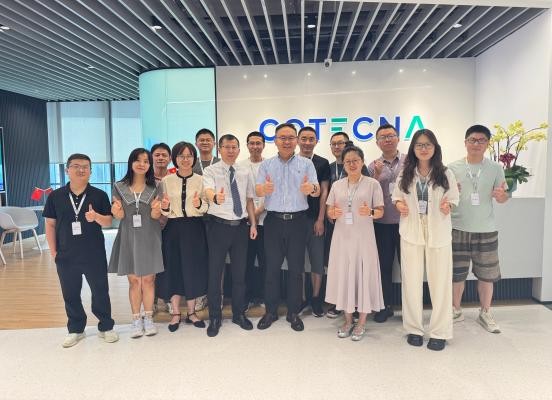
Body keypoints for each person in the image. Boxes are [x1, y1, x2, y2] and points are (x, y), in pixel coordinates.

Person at [392, 129, 459, 351]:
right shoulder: (405, 173)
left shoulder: (445, 173)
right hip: (411, 231)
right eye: (419, 145)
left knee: (440, 284)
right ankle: (414, 329)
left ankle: (440, 332)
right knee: (410, 282)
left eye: (428, 144)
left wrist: (448, 205)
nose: (423, 148)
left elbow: (454, 198)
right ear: (413, 148)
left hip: (437, 231)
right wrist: (399, 205)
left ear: (435, 148)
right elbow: (397, 197)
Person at [44, 153, 118, 348]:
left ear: (91, 171)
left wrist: (96, 217)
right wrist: (53, 252)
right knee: (70, 293)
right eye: (76, 166)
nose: (81, 170)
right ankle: (76, 329)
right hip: (66, 254)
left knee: (100, 291)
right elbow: (50, 225)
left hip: (94, 253)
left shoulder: (99, 195)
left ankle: (106, 326)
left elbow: (109, 222)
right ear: (67, 170)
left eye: (85, 166)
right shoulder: (56, 196)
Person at [256, 123, 320, 332]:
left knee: (296, 270)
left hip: (298, 222)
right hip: (273, 221)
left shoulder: (306, 164)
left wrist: (310, 188)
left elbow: (317, 190)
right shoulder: (266, 165)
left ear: (296, 141)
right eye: (282, 138)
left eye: (291, 137)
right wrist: (263, 189)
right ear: (275, 141)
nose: (287, 141)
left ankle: (293, 312)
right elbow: (257, 189)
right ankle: (271, 312)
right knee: (271, 269)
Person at [448, 124, 509, 333]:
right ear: (465, 142)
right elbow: (444, 199)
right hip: (457, 228)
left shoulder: (495, 168)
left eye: (481, 140)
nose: (476, 144)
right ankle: (455, 310)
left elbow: (503, 197)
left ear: (487, 144)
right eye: (472, 140)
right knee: (456, 274)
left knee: (487, 275)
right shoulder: (451, 168)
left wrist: (502, 196)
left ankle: (485, 312)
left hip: (486, 229)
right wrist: (450, 193)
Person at [326, 145, 385, 341]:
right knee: (345, 275)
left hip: (364, 238)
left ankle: (361, 322)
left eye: (355, 161)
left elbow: (380, 211)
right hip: (342, 237)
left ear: (362, 162)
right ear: (343, 164)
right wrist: (332, 213)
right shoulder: (337, 185)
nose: (351, 164)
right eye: (348, 161)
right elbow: (329, 210)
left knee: (364, 275)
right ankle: (348, 320)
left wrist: (370, 212)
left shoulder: (372, 184)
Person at [203, 134, 257, 337]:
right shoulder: (210, 170)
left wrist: (253, 224)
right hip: (218, 227)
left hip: (241, 228)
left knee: (239, 274)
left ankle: (238, 314)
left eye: (234, 147)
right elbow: (208, 191)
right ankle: (215, 317)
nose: (231, 150)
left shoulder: (245, 171)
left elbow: (249, 199)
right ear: (220, 149)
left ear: (239, 150)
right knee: (215, 274)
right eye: (227, 147)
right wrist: (216, 197)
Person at [109, 148, 164, 338]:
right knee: (133, 281)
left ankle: (148, 318)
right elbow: (119, 216)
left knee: (148, 280)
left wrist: (157, 209)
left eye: (146, 161)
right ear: (131, 162)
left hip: (150, 236)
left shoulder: (157, 186)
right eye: (138, 160)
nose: (142, 164)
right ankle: (135, 319)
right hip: (128, 236)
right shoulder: (119, 186)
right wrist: (116, 212)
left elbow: (156, 216)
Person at [160, 142, 208, 332]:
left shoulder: (201, 180)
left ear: (194, 158)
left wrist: (198, 204)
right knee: (173, 269)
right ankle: (175, 314)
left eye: (189, 156)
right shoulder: (166, 181)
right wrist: (164, 207)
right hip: (173, 228)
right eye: (181, 156)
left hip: (194, 228)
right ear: (175, 159)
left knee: (192, 269)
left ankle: (192, 312)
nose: (185, 159)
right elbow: (164, 209)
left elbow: (206, 206)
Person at [325, 132, 369, 319]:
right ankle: (342, 305)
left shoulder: (367, 177)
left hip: (361, 229)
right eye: (334, 143)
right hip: (340, 227)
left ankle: (359, 306)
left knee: (359, 268)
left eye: (341, 143)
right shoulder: (330, 170)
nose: (337, 146)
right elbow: (328, 201)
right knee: (341, 266)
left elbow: (372, 204)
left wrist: (370, 212)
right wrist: (330, 213)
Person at [367, 124, 406, 322]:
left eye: (391, 136)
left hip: (406, 222)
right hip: (381, 224)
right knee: (384, 266)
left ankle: (411, 309)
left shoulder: (410, 161)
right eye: (383, 137)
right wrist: (375, 175)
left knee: (409, 267)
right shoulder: (372, 166)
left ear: (398, 138)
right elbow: (367, 193)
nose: (388, 140)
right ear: (377, 143)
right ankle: (385, 306)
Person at [297, 126, 330, 317]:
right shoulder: (290, 162)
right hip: (295, 220)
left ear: (316, 141)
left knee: (317, 261)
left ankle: (316, 298)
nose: (307, 142)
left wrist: (320, 219)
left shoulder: (322, 163)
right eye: (304, 139)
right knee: (297, 262)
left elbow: (324, 192)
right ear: (298, 140)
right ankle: (301, 299)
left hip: (315, 219)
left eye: (311, 139)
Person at [239, 131, 267, 308]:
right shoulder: (240, 166)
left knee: (266, 262)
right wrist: (250, 215)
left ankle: (264, 297)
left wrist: (257, 212)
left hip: (265, 221)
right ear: (247, 145)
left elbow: (272, 193)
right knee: (246, 262)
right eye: (252, 143)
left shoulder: (270, 165)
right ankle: (247, 297)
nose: (255, 146)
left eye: (258, 143)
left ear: (263, 145)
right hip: (246, 222)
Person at [151, 142, 172, 315]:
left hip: (171, 225)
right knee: (151, 264)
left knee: (168, 263)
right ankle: (151, 300)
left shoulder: (174, 178)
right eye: (157, 155)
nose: (160, 158)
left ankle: (165, 298)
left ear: (170, 158)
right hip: (150, 226)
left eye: (164, 155)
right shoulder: (145, 179)